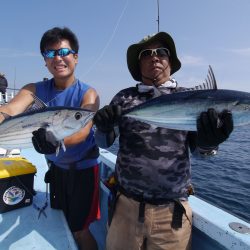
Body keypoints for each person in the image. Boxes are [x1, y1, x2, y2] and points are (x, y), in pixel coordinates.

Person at [93, 32, 234, 250]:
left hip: (171, 215)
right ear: (139, 65)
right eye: (146, 53)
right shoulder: (124, 97)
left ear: (170, 61)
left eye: (162, 52)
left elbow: (200, 152)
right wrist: (102, 128)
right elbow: (104, 143)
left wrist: (209, 142)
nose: (155, 57)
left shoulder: (191, 98)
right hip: (125, 209)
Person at [0, 27, 100, 250]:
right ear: (44, 61)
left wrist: (54, 141)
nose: (58, 58)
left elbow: (82, 133)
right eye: (50, 53)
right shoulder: (33, 90)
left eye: (64, 52)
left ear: (75, 57)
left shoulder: (88, 94)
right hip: (56, 169)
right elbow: (9, 109)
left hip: (83, 171)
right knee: (61, 220)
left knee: (80, 230)